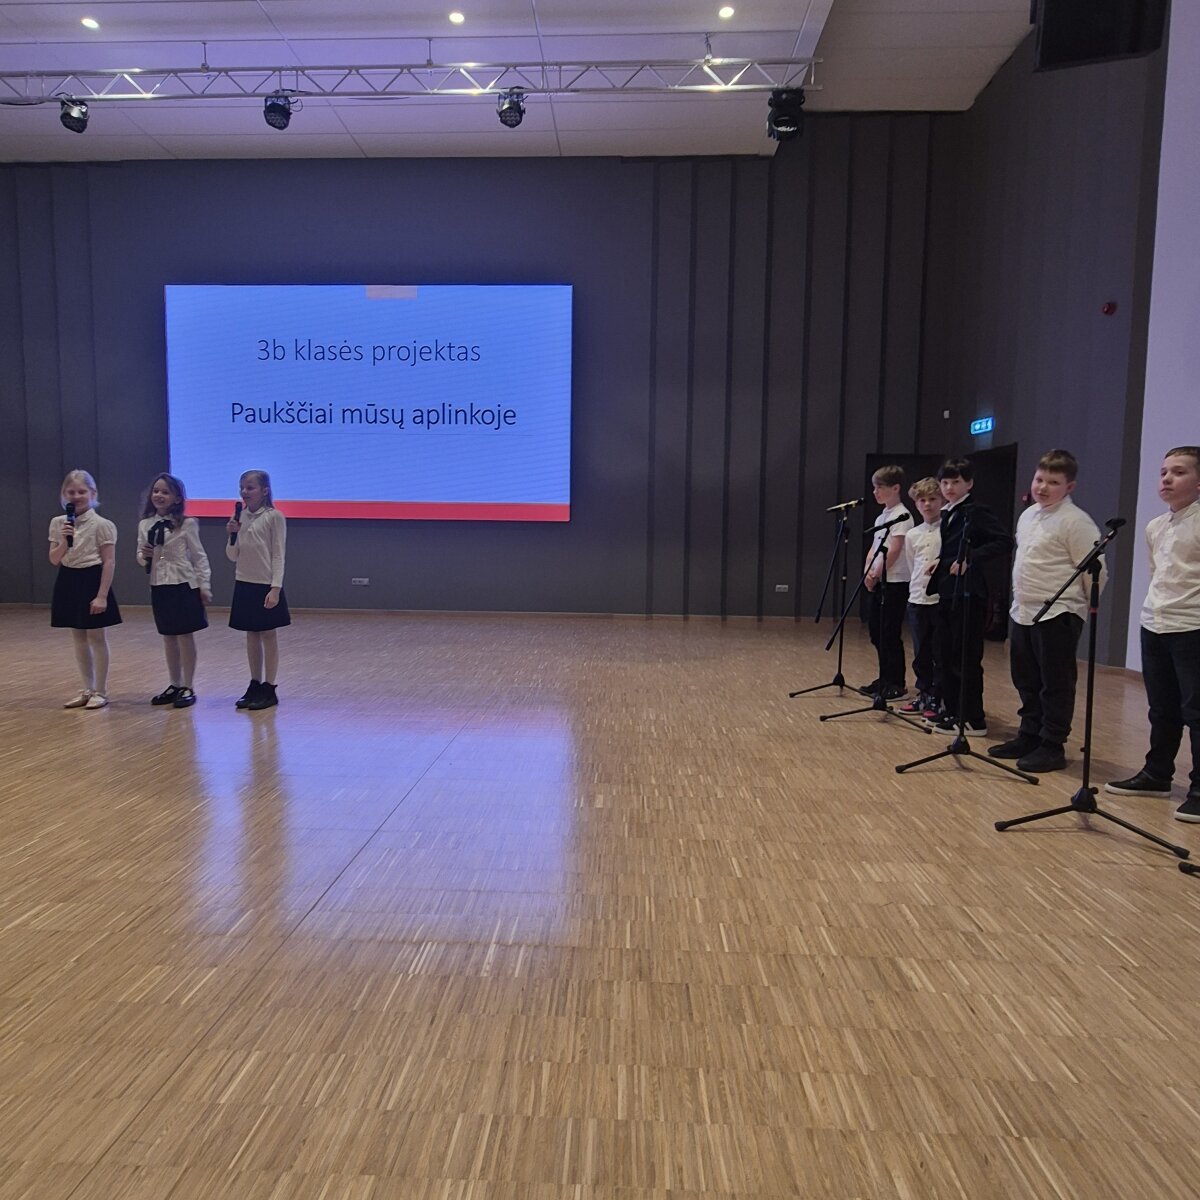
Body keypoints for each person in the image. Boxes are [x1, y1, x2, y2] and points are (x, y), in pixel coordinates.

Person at [987, 450, 1103, 773]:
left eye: (1053, 482)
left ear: (1069, 487)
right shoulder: (1028, 516)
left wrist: (1075, 608)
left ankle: (1052, 743)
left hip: (1058, 611)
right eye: (1039, 479)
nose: (1042, 487)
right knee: (1026, 677)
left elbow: (1094, 571)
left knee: (1055, 681)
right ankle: (1029, 734)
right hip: (1024, 609)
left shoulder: (1076, 521)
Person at [1106, 446, 1200, 822]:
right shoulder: (1156, 526)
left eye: (1178, 472)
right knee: (1162, 707)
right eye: (1163, 472)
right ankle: (1157, 774)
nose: (1166, 479)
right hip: (1156, 623)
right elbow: (1157, 574)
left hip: (1193, 626)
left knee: (1197, 711)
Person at [925, 457, 1013, 737]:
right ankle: (953, 710)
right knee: (945, 654)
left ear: (969, 484)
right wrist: (941, 561)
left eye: (956, 482)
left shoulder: (976, 512)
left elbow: (1003, 541)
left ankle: (973, 718)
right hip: (948, 591)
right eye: (945, 482)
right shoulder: (950, 513)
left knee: (964, 657)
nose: (949, 487)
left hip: (968, 593)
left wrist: (970, 558)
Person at [48, 469, 121, 709]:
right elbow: (54, 559)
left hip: (92, 578)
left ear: (93, 493)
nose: (76, 496)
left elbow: (108, 562)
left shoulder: (103, 525)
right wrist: (63, 540)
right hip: (68, 578)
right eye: (71, 492)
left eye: (82, 492)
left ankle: (101, 690)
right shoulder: (58, 523)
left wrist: (101, 595)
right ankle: (87, 688)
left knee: (96, 636)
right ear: (64, 494)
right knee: (77, 636)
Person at [137, 473, 212, 709]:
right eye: (156, 491)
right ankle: (174, 684)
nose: (159, 495)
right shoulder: (145, 524)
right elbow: (140, 555)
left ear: (177, 498)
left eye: (165, 492)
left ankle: (188, 685)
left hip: (183, 584)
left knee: (184, 636)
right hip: (160, 584)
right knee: (168, 636)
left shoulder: (187, 524)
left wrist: (204, 585)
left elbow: (199, 556)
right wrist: (144, 556)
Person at [226, 469, 289, 710]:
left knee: (268, 635)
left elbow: (278, 554)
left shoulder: (274, 517)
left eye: (250, 487)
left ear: (265, 490)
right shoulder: (240, 518)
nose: (244, 492)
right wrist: (231, 535)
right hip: (244, 582)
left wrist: (275, 588)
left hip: (265, 584)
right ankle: (254, 683)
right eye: (242, 487)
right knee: (251, 635)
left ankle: (269, 687)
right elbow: (232, 555)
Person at [858, 465, 913, 700]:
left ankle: (896, 682)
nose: (875, 492)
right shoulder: (882, 516)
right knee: (877, 631)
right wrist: (867, 572)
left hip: (895, 581)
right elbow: (874, 548)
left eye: (880, 487)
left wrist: (877, 574)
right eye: (874, 487)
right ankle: (884, 677)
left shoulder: (902, 516)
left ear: (895, 488)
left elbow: (895, 550)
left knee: (890, 632)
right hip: (879, 580)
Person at [897, 477, 942, 718]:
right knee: (920, 652)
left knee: (939, 652)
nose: (927, 504)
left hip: (938, 601)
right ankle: (923, 693)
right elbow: (912, 564)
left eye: (932, 499)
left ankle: (938, 696)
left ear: (941, 500)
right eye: (922, 500)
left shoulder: (947, 530)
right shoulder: (913, 534)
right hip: (917, 598)